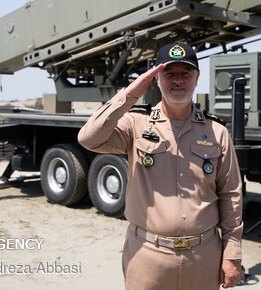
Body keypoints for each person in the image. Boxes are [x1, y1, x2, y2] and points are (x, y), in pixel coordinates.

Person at [78, 42, 243, 290]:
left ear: (197, 78)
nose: (178, 81)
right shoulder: (135, 124)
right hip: (147, 257)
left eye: (185, 74)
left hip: (203, 257)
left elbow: (230, 194)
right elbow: (89, 138)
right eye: (169, 74)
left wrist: (231, 255)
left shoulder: (216, 131)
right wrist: (129, 94)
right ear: (156, 79)